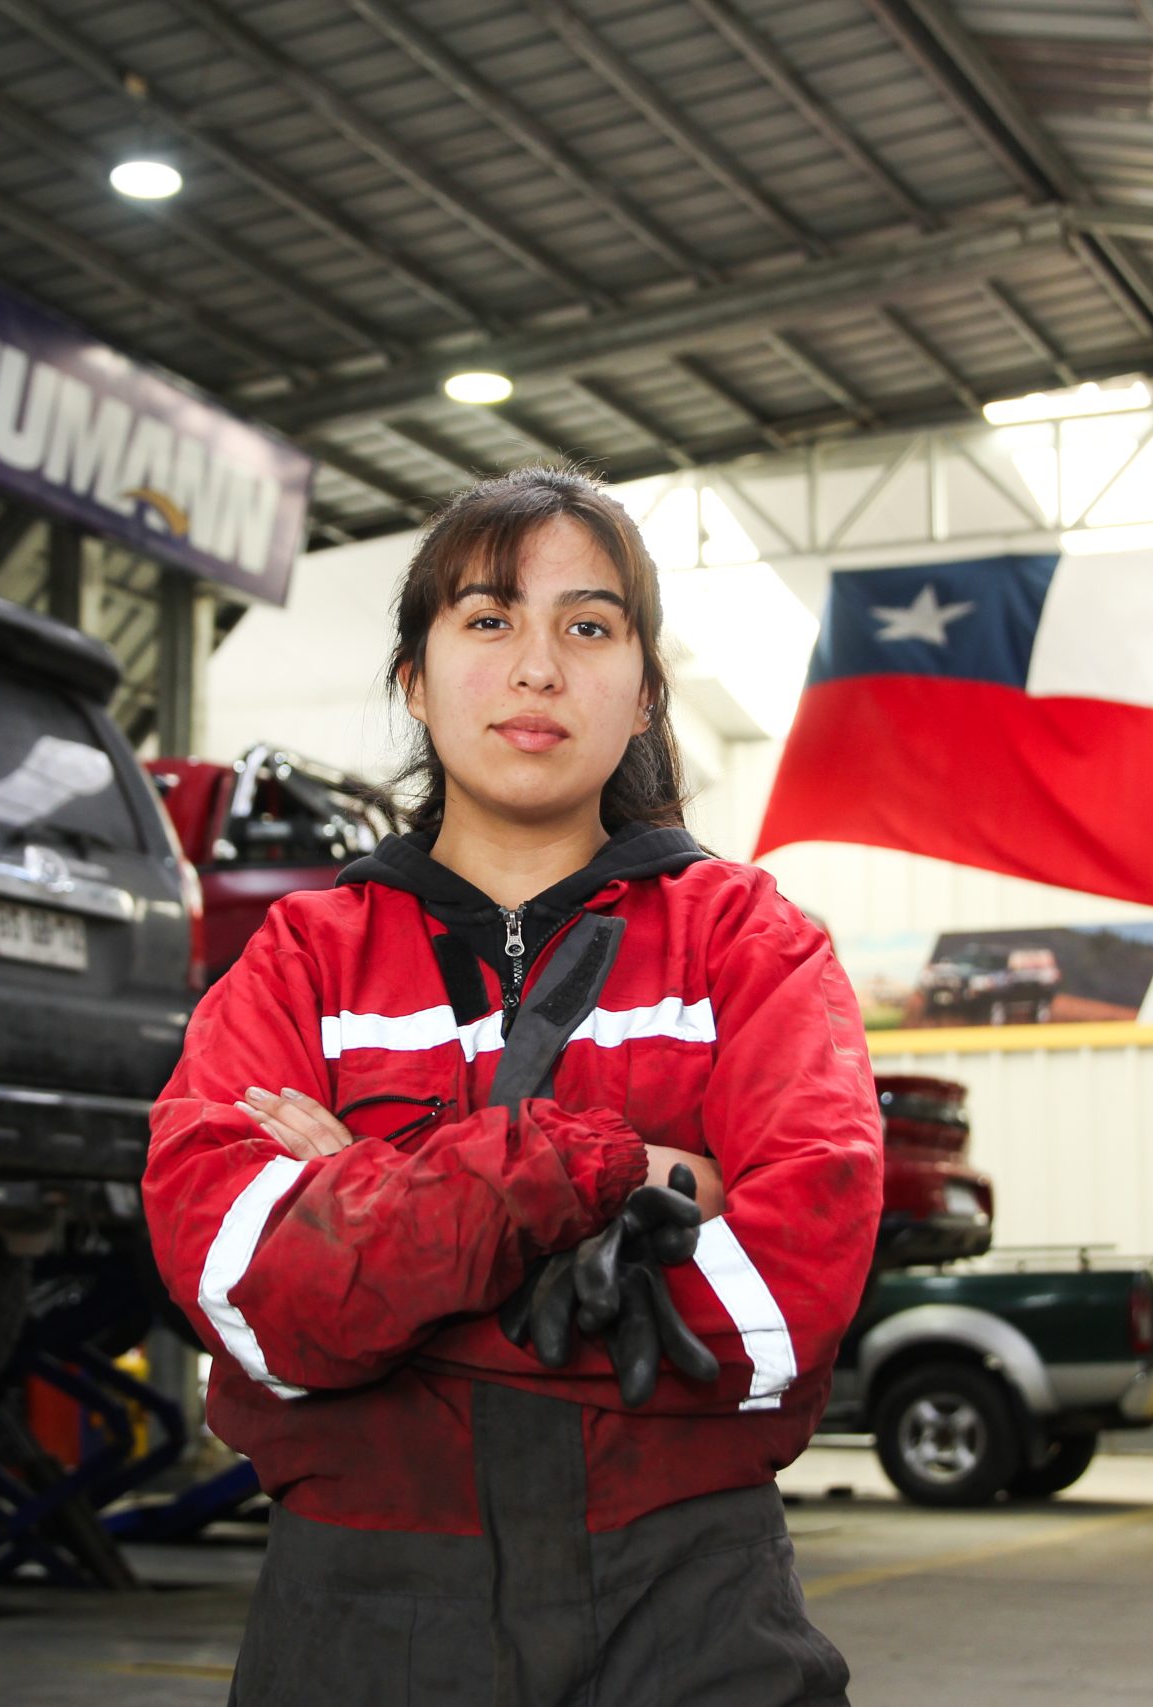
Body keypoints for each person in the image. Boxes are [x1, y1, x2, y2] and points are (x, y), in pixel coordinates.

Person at [144, 466, 883, 1705]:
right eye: (488, 619)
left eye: (587, 628)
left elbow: (777, 1314)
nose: (537, 668)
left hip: (690, 1616)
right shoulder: (303, 958)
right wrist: (605, 1174)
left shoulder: (748, 942)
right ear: (414, 678)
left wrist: (375, 1241)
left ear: (643, 694)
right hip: (364, 1625)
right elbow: (250, 1297)